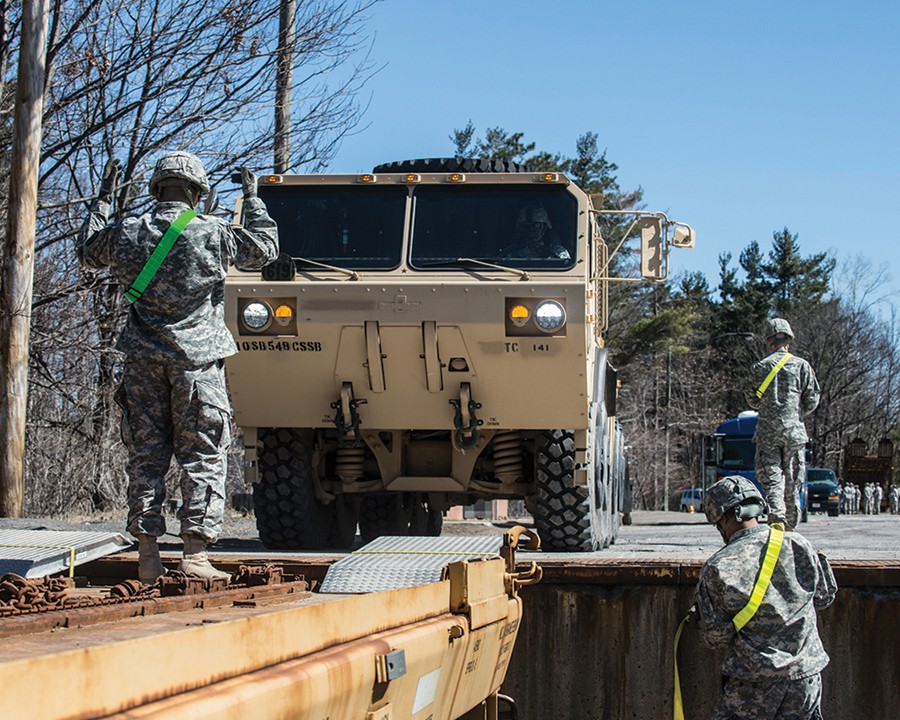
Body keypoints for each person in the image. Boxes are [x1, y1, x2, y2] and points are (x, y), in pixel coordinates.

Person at [77, 152, 279, 582]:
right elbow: (264, 250)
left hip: (142, 364)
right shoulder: (213, 232)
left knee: (145, 458)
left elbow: (88, 253)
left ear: (157, 188)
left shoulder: (128, 232)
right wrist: (253, 198)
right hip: (196, 365)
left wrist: (103, 201)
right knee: (202, 456)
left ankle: (147, 554)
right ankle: (195, 554)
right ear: (197, 192)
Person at [693, 476, 837, 720]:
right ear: (759, 508)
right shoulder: (799, 544)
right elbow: (825, 597)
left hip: (752, 683)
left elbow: (716, 637)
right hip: (805, 677)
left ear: (723, 518)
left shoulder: (719, 566)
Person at [746, 318, 820, 529]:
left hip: (768, 431)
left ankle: (777, 513)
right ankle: (792, 521)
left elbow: (751, 400)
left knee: (772, 475)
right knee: (793, 476)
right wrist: (794, 414)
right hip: (794, 431)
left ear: (769, 340)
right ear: (788, 339)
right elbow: (812, 400)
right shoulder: (802, 366)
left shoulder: (759, 367)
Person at [500, 205, 570, 260]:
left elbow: (565, 265)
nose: (531, 229)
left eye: (536, 225)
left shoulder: (557, 251)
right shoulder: (511, 252)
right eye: (526, 225)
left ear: (545, 226)